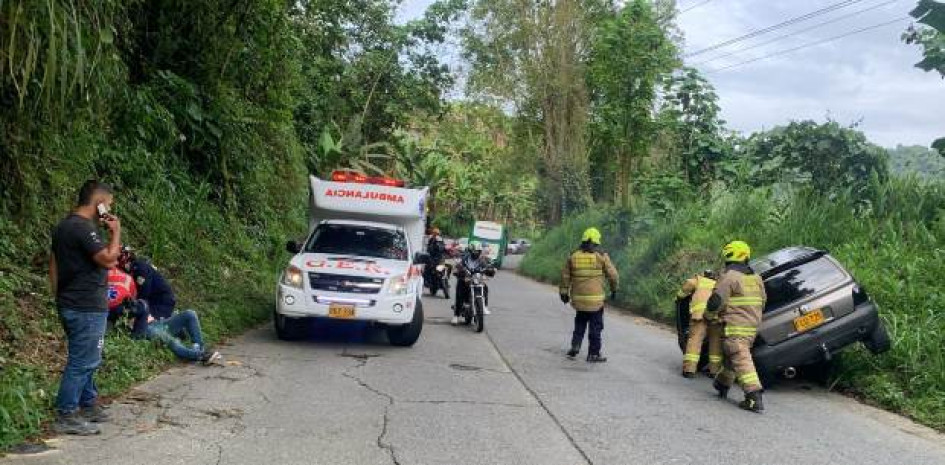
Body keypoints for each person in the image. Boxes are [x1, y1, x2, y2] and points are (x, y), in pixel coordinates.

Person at [49, 180, 121, 435]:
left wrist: (59, 298)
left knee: (87, 356)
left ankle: (87, 403)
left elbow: (53, 265)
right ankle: (66, 413)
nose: (109, 210)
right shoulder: (82, 228)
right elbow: (109, 259)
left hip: (71, 302)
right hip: (85, 305)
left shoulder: (64, 227)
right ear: (99, 202)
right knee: (84, 360)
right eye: (108, 204)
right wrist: (115, 232)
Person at [708, 240, 768, 412]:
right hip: (752, 326)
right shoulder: (756, 278)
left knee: (740, 356)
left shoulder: (730, 277)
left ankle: (753, 396)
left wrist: (708, 315)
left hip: (736, 326)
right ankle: (722, 384)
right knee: (732, 355)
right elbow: (763, 301)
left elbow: (716, 301)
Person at [559, 228, 619, 363]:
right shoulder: (601, 256)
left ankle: (575, 345)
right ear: (597, 242)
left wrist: (563, 293)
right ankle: (593, 354)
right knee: (595, 328)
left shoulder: (573, 256)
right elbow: (613, 276)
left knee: (580, 323)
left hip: (579, 300)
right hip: (596, 302)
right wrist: (614, 289)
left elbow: (565, 276)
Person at [677, 269, 722, 378]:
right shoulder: (721, 284)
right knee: (715, 344)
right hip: (716, 317)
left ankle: (689, 370)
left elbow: (684, 290)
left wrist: (679, 296)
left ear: (704, 275)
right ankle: (714, 372)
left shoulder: (698, 280)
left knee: (695, 340)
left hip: (700, 316)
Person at [118, 246, 176, 320]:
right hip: (155, 300)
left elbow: (144, 293)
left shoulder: (140, 268)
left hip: (161, 302)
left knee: (147, 322)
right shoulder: (134, 269)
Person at [451, 241, 496, 325]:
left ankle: (484, 306)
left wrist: (490, 270)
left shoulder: (482, 260)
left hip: (476, 279)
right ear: (470, 251)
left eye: (478, 251)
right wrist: (458, 271)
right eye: (475, 251)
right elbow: (457, 267)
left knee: (485, 287)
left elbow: (487, 266)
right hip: (465, 279)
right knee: (460, 294)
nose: (477, 253)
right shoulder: (464, 259)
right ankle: (456, 316)